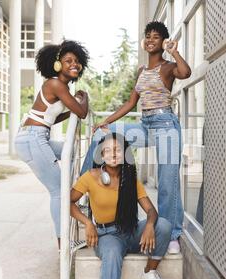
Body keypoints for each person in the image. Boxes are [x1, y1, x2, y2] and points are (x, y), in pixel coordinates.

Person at [81, 21, 192, 254]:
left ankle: (172, 234)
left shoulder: (168, 67)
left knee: (167, 182)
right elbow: (131, 103)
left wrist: (174, 51)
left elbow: (186, 73)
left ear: (162, 41)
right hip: (145, 124)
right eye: (147, 36)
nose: (151, 40)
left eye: (156, 37)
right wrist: (108, 121)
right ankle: (86, 187)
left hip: (166, 126)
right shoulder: (142, 71)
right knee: (101, 138)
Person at [70, 133, 172, 279]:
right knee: (111, 252)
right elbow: (69, 202)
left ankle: (149, 272)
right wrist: (87, 223)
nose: (113, 154)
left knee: (164, 225)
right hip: (107, 236)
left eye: (117, 150)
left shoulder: (130, 179)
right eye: (107, 151)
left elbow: (151, 211)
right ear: (102, 155)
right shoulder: (90, 176)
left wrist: (148, 226)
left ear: (125, 154)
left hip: (130, 232)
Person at [15, 40, 90, 249]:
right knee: (58, 191)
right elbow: (82, 112)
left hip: (37, 136)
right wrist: (82, 98)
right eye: (68, 61)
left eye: (77, 61)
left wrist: (71, 108)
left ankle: (75, 198)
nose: (74, 64)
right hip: (33, 138)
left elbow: (50, 118)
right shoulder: (55, 84)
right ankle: (64, 243)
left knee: (73, 152)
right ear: (57, 64)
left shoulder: (60, 87)